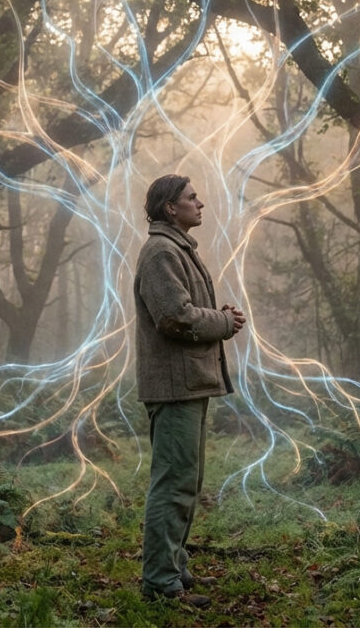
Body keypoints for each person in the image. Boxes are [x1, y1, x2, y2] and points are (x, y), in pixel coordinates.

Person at [133, 174, 246, 608]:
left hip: (188, 382)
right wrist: (223, 323)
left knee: (187, 480)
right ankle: (160, 583)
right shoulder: (162, 251)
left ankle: (173, 568)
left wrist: (219, 316)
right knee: (174, 483)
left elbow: (185, 310)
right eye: (191, 198)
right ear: (169, 208)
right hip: (175, 385)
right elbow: (174, 317)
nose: (201, 203)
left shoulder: (176, 249)